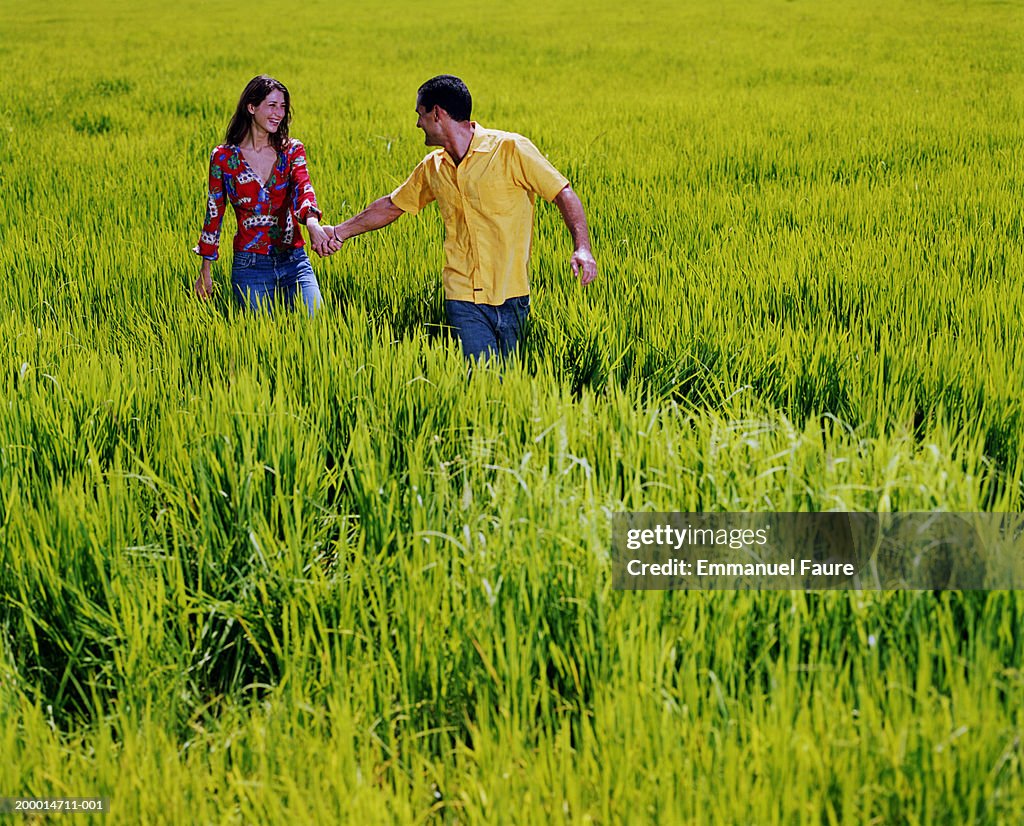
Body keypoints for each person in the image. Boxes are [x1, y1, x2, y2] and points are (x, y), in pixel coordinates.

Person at [327, 74, 597, 361]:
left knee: (511, 384)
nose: (418, 123)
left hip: (513, 293)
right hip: (463, 296)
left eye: (420, 115)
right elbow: (393, 205)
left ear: (437, 113)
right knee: (481, 380)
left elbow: (562, 192)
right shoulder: (433, 166)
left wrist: (582, 247)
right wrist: (339, 232)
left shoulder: (510, 149)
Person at [193, 75, 334, 316]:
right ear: (251, 107)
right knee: (261, 339)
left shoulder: (291, 150)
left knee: (316, 325)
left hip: (294, 261)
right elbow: (214, 213)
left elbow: (304, 189)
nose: (279, 113)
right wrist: (205, 270)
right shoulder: (224, 158)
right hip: (250, 266)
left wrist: (313, 223)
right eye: (272, 105)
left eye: (283, 107)